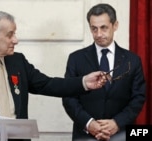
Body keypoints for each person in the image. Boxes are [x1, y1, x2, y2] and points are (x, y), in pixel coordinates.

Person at [0, 11, 106, 141]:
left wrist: (83, 82)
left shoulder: (17, 61)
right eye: (10, 34)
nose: (15, 40)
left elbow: (47, 84)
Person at [62, 3, 146, 141]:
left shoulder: (133, 60)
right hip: (85, 134)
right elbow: (68, 97)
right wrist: (89, 124)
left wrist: (117, 123)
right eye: (94, 29)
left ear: (115, 25)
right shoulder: (76, 58)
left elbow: (138, 98)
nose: (99, 34)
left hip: (122, 132)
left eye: (104, 28)